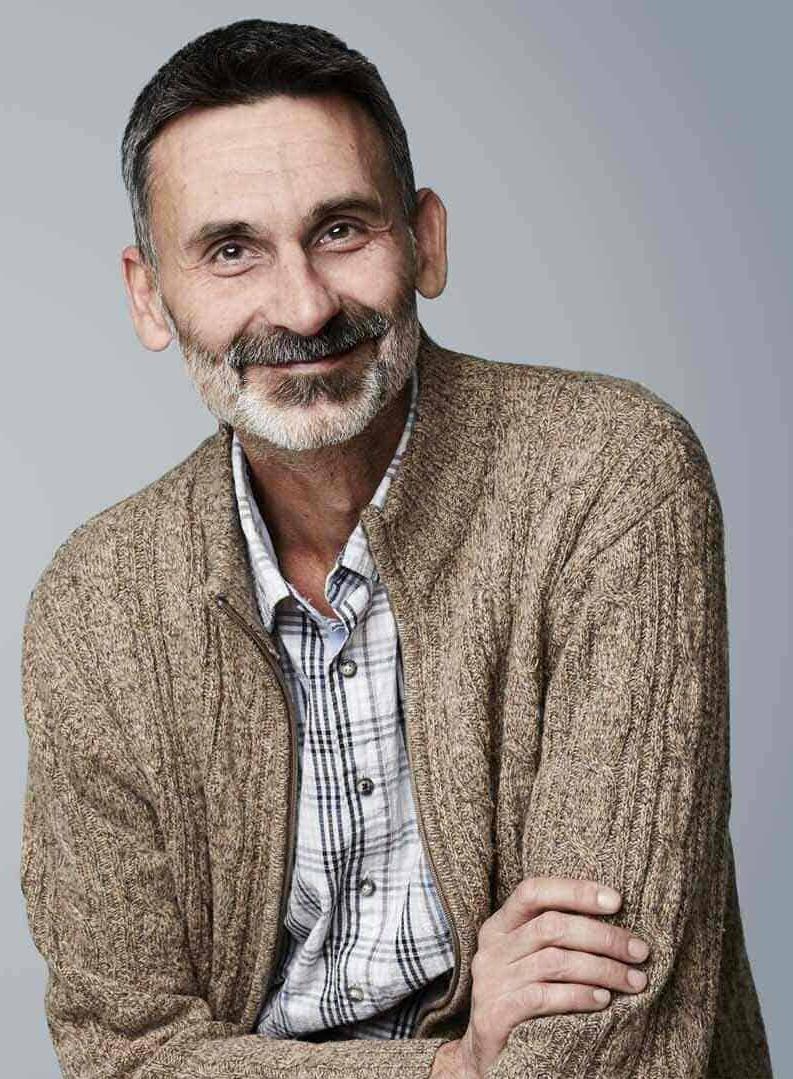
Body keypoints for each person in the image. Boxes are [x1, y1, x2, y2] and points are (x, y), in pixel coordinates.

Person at [19, 17, 772, 1079]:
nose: (303, 306)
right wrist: (450, 1066)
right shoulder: (93, 606)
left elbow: (603, 1034)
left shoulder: (610, 477)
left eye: (340, 230)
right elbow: (125, 1052)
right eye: (231, 250)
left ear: (426, 239)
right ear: (149, 295)